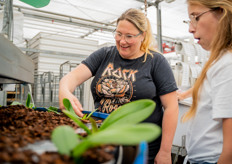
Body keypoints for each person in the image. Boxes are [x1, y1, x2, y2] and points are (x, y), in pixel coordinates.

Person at [59, 8, 179, 164]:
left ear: (142, 35)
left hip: (141, 146)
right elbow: (72, 77)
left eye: (129, 36)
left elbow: (171, 107)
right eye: (119, 34)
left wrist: (165, 151)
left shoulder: (155, 61)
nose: (122, 41)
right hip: (104, 140)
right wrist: (64, 90)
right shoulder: (104, 55)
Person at [182, 0, 232, 164]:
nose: (191, 28)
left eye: (196, 17)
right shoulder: (219, 60)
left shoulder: (227, 64)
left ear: (222, 13)